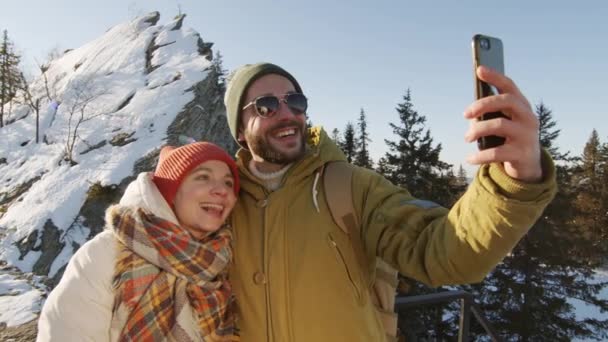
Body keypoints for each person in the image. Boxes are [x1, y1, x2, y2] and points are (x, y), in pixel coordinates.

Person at [222, 62, 557, 341]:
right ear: (239, 129)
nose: (287, 114)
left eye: (295, 102)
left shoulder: (349, 187)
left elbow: (442, 249)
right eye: (267, 105)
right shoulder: (219, 203)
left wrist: (513, 177)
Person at [37, 142, 241, 342]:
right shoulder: (106, 253)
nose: (221, 190)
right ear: (171, 190)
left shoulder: (220, 260)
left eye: (228, 183)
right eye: (203, 177)